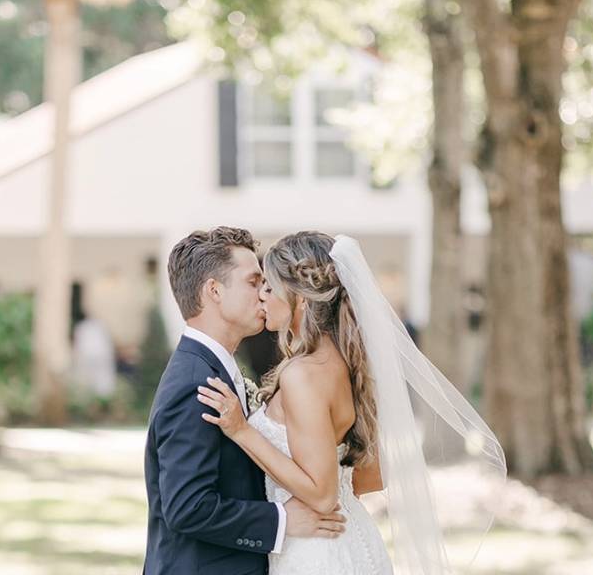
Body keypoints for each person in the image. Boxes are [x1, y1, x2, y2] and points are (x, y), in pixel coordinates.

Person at [198, 231, 507, 574]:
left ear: (299, 298)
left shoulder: (301, 374)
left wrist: (243, 431)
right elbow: (371, 476)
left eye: (269, 286)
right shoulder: (349, 365)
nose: (261, 297)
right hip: (352, 539)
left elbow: (322, 495)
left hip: (315, 552)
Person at [142, 227, 346, 575]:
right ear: (214, 291)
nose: (265, 292)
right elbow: (187, 507)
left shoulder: (216, 369)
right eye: (254, 282)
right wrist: (280, 522)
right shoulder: (195, 382)